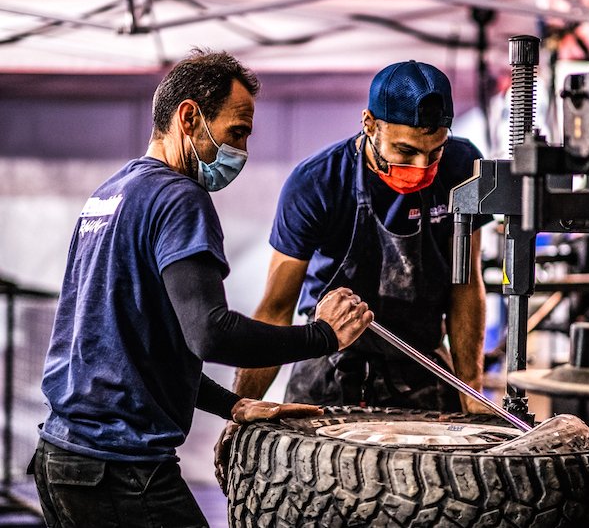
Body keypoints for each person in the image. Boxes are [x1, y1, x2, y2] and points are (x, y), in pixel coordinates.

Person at [31, 49, 373, 528]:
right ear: (189, 117)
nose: (243, 152)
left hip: (61, 458)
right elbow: (210, 333)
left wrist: (231, 404)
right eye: (237, 132)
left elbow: (138, 346)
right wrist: (324, 337)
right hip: (120, 467)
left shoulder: (110, 195)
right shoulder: (178, 197)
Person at [215, 60, 490, 484]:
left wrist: (471, 387)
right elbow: (275, 309)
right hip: (328, 373)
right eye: (405, 151)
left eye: (434, 151)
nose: (421, 167)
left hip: (422, 370)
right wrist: (238, 408)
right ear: (369, 124)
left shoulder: (462, 168)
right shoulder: (317, 184)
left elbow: (466, 284)